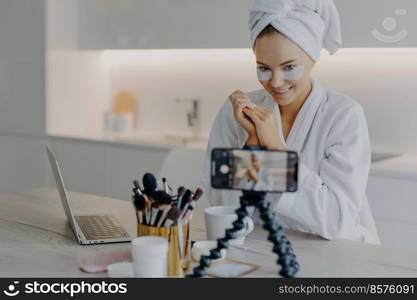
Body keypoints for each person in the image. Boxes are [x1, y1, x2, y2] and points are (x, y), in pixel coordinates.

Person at [203, 0, 380, 244]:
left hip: (334, 255)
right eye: (264, 68)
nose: (275, 82)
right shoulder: (237, 112)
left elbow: (337, 220)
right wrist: (251, 144)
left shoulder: (343, 115)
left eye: (289, 67)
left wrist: (276, 149)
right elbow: (224, 209)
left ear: (312, 58)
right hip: (259, 249)